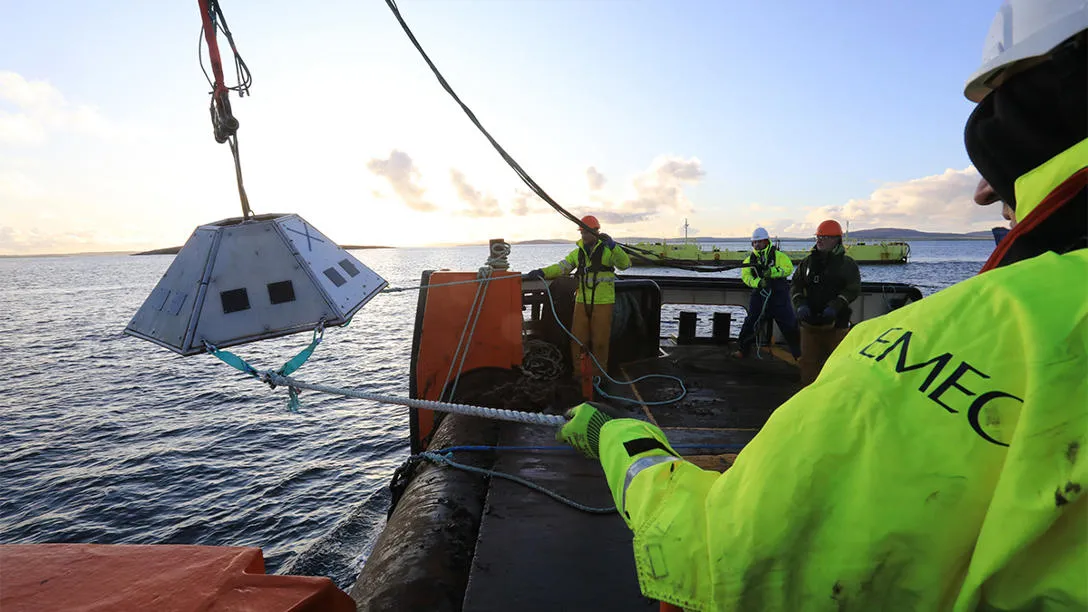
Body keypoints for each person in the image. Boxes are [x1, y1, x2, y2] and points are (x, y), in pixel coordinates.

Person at [556, 1, 1087, 609]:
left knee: (789, 338)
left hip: (793, 306)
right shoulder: (795, 260)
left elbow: (722, 551)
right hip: (786, 303)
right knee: (784, 338)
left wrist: (617, 442)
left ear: (1020, 125)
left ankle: (672, 391)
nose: (983, 192)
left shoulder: (962, 331)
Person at [527, 215, 631, 377]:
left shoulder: (608, 251)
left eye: (587, 232)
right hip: (581, 301)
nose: (584, 236)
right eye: (582, 232)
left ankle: (598, 377)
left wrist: (613, 246)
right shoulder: (578, 253)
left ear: (596, 232)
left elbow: (624, 264)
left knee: (600, 343)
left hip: (603, 302)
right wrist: (542, 272)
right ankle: (579, 376)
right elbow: (562, 268)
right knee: (578, 341)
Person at [790, 219, 861, 385]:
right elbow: (796, 285)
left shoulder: (847, 265)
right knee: (808, 365)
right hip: (809, 325)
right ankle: (808, 397)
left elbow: (853, 289)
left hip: (837, 326)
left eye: (825, 237)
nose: (819, 240)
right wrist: (800, 305)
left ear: (837, 239)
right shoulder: (807, 263)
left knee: (838, 365)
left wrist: (835, 306)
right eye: (818, 236)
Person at [732, 227, 801, 360]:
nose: (757, 245)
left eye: (759, 242)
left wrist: (773, 272)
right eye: (754, 242)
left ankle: (799, 355)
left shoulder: (779, 256)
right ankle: (742, 350)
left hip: (778, 296)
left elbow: (788, 268)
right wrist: (758, 283)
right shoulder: (749, 260)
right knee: (751, 322)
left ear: (766, 241)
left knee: (789, 325)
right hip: (759, 296)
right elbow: (746, 277)